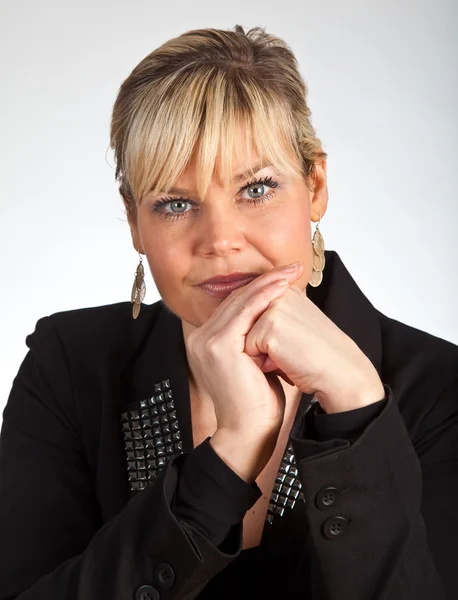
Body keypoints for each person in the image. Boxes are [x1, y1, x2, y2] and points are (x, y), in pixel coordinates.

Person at [0, 23, 457, 600]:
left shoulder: (440, 389)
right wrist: (229, 452)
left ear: (315, 184)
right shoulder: (68, 365)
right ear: (135, 222)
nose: (220, 239)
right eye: (174, 203)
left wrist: (357, 416)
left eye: (256, 189)